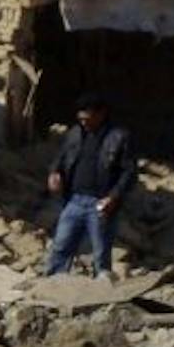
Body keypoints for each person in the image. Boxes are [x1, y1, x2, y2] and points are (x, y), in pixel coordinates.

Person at [45, 91, 135, 279]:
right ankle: (52, 285)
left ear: (101, 114)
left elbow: (129, 172)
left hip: (100, 203)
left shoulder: (118, 137)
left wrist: (113, 197)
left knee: (101, 252)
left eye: (88, 118)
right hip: (74, 201)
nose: (84, 123)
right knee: (61, 246)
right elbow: (61, 159)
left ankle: (99, 293)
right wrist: (55, 173)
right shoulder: (75, 134)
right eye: (81, 119)